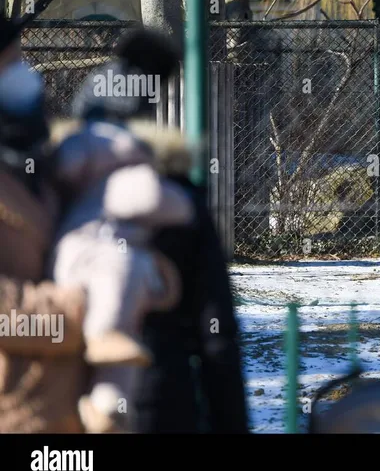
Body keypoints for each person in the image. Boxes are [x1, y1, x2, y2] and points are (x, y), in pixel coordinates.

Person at [68, 26, 250, 433]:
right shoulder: (177, 196)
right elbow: (216, 333)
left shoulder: (56, 187)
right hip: (160, 400)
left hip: (65, 401)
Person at [0, 14, 88, 433]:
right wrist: (82, 311)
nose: (25, 75)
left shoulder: (43, 169)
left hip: (61, 418)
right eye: (10, 63)